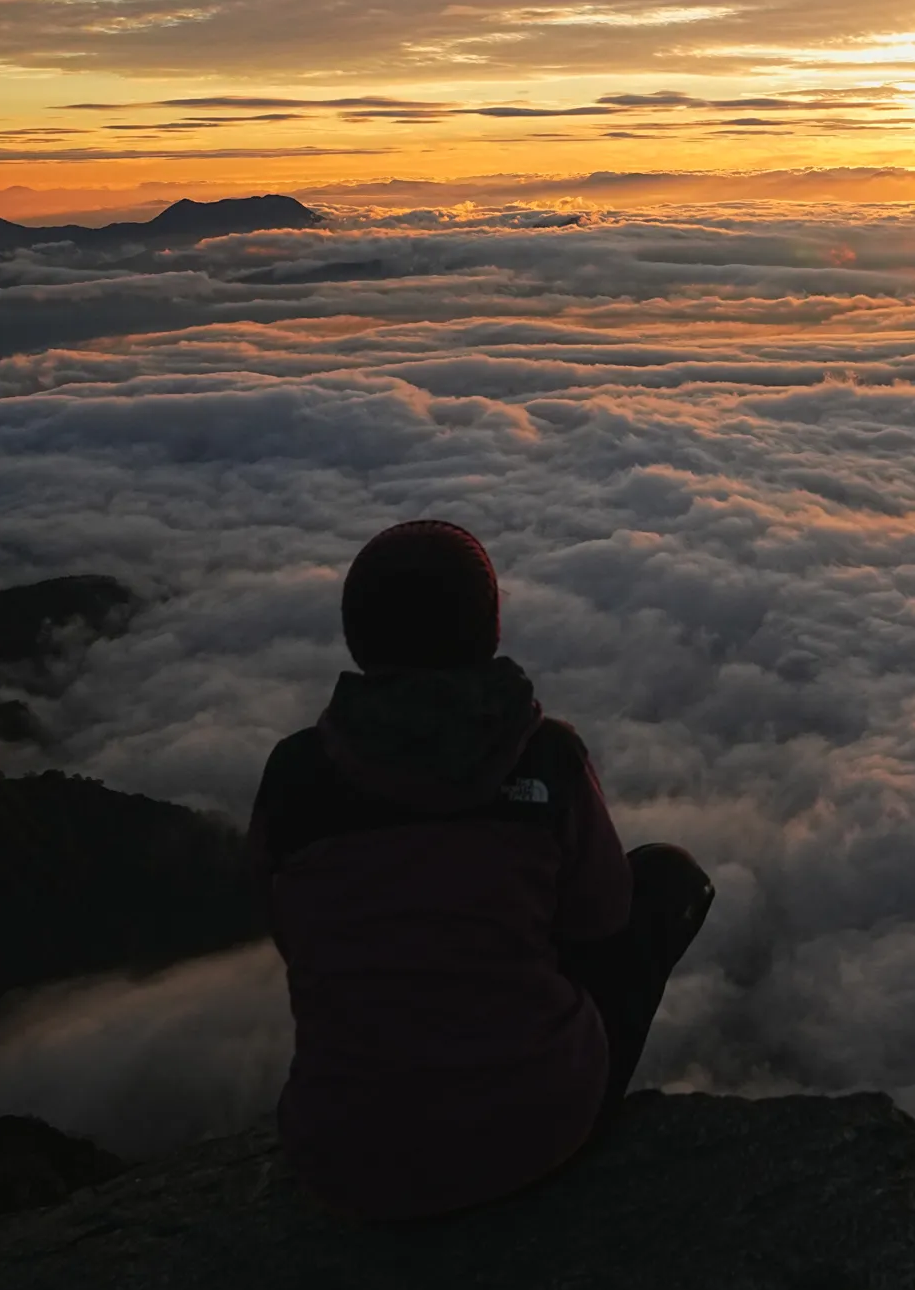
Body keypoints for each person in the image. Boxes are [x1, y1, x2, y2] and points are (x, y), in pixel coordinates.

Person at [248, 518, 712, 1219]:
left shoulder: (295, 774)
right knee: (668, 881)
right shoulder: (546, 758)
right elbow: (603, 920)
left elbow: (288, 929)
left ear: (356, 635)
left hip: (343, 1154)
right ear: (488, 628)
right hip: (536, 1134)